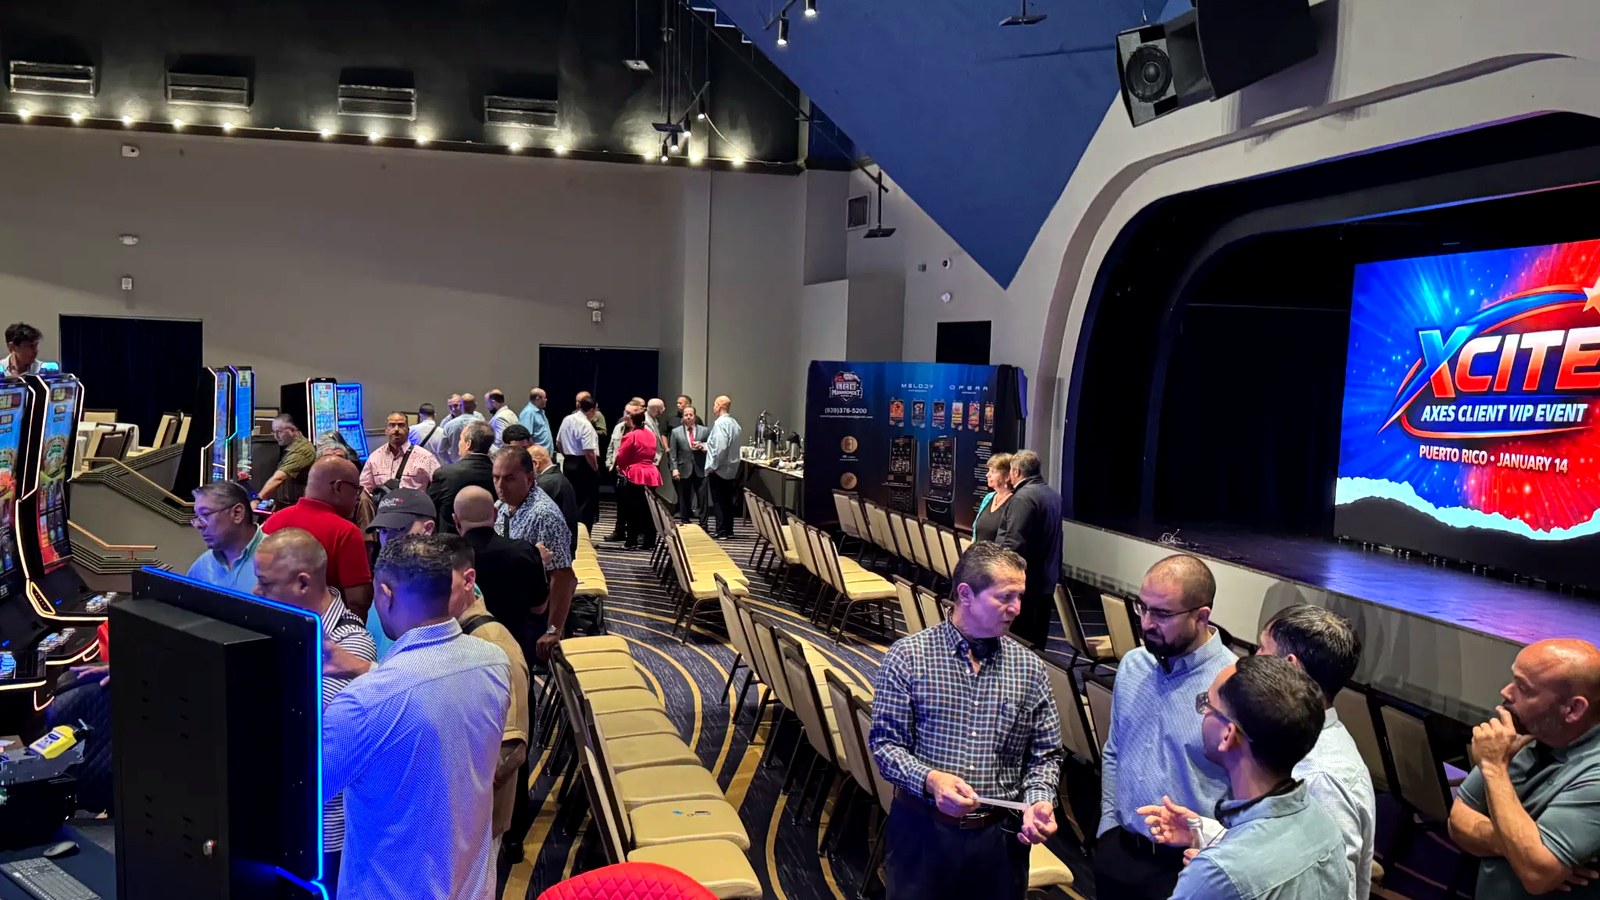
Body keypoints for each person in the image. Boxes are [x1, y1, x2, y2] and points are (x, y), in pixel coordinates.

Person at [320, 535, 510, 900]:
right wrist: (367, 669)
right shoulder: (492, 661)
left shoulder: (364, 703)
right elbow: (428, 697)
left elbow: (304, 788)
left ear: (386, 595)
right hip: (470, 885)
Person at [1141, 605, 1376, 899]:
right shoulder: (1314, 809)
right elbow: (1277, 852)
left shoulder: (1321, 777)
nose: (1252, 660)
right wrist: (1205, 833)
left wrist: (1214, 867)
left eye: (1207, 706)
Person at [869, 542, 1062, 900]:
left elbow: (1045, 756)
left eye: (1020, 596)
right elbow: (885, 747)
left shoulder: (1030, 668)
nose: (1016, 609)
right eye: (1005, 597)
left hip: (999, 843)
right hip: (922, 834)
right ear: (966, 594)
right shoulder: (909, 657)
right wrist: (931, 779)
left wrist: (1038, 800)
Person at [1094, 554, 1235, 900]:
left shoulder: (1234, 684)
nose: (1146, 623)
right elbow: (1115, 750)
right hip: (1119, 851)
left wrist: (1214, 854)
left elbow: (1246, 788)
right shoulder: (1133, 665)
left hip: (1186, 868)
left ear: (1202, 616)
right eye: (1143, 608)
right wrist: (1108, 827)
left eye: (1162, 613)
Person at [252, 528, 377, 895]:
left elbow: (307, 734)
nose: (255, 593)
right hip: (280, 819)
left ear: (303, 583)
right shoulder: (283, 623)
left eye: (264, 583)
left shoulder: (351, 644)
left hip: (322, 833)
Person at [1164, 656, 1349, 899]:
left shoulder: (1218, 873)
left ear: (1227, 735)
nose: (1203, 713)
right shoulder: (1324, 825)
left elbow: (1235, 875)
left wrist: (1207, 879)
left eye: (1207, 704)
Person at [1449, 639, 1600, 898]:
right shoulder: (1529, 734)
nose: (1506, 692)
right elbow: (1458, 822)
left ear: (1573, 709)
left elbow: (1536, 877)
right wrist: (1518, 849)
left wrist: (1495, 768)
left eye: (1523, 688)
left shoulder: (1595, 774)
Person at [434, 534, 532, 892]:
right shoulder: (441, 630)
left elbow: (511, 748)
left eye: (439, 584)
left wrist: (449, 786)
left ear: (468, 581)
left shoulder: (495, 644)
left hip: (474, 820)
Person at [262, 456, 375, 619]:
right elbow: (358, 602)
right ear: (338, 487)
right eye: (356, 489)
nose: (358, 497)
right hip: (324, 636)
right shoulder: (346, 533)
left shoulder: (273, 521)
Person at [492, 447, 577, 661]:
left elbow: (564, 577)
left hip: (533, 617)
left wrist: (553, 630)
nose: (500, 486)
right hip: (511, 609)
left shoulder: (544, 515)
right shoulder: (504, 505)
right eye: (496, 477)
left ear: (530, 478)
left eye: (509, 478)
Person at [992, 449, 1061, 650]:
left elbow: (1013, 543)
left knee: (1018, 641)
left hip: (1025, 581)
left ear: (1015, 472)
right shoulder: (1053, 495)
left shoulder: (1022, 498)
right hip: (1047, 578)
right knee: (1038, 641)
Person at [187, 480, 264, 594]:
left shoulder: (280, 558)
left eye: (205, 515)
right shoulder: (202, 565)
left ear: (237, 513)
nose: (198, 525)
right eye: (197, 517)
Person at [428, 420, 497, 535]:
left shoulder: (444, 473)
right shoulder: (498, 475)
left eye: (460, 439)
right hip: (488, 542)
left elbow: (429, 507)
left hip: (450, 545)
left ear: (468, 443)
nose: (459, 443)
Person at [616, 409, 663, 550]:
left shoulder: (631, 436)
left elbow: (621, 456)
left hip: (636, 473)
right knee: (649, 510)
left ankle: (632, 541)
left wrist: (622, 468)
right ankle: (649, 542)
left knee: (632, 509)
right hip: (651, 472)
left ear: (631, 421)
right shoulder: (651, 434)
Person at [361, 412, 441, 496]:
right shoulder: (374, 458)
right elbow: (364, 489)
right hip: (383, 507)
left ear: (408, 430)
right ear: (386, 431)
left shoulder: (426, 457)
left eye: (401, 425)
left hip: (413, 507)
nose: (396, 429)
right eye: (392, 425)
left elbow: (440, 487)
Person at [558, 396, 601, 530]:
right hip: (583, 464)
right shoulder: (586, 424)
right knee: (586, 502)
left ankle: (571, 532)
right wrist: (595, 469)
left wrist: (567, 456)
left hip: (569, 462)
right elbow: (588, 451)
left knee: (572, 500)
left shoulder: (567, 419)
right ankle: (583, 536)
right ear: (592, 410)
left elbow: (558, 442)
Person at [604, 399, 644, 542]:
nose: (627, 415)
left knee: (635, 505)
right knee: (620, 504)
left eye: (630, 413)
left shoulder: (643, 430)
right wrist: (609, 464)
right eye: (625, 412)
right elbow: (611, 447)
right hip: (618, 472)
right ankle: (619, 531)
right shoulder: (619, 427)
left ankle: (637, 533)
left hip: (634, 474)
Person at [703, 395, 743, 539]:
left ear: (719, 406)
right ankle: (729, 529)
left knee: (719, 501)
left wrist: (712, 466)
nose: (713, 407)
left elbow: (720, 448)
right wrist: (705, 446)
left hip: (720, 468)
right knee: (727, 500)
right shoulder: (734, 424)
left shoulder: (720, 424)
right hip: (731, 468)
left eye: (714, 404)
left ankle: (721, 531)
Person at [529, 445, 579, 555]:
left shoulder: (546, 484)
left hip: (556, 550)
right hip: (566, 544)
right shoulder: (557, 478)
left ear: (535, 463)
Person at [258, 415, 316, 506]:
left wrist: (258, 499)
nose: (276, 436)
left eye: (279, 432)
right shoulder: (293, 446)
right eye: (274, 432)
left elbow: (278, 478)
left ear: (292, 430)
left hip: (297, 506)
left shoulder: (301, 450)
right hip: (288, 504)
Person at [669, 405, 710, 525]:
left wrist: (702, 446)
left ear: (695, 416)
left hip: (700, 468)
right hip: (683, 469)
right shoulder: (675, 432)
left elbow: (711, 446)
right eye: (686, 415)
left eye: (690, 415)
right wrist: (674, 469)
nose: (688, 417)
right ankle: (685, 522)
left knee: (702, 499)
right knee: (684, 498)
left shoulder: (705, 430)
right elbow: (673, 453)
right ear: (682, 417)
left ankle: (704, 524)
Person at [972, 452, 1014, 543]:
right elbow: (976, 532)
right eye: (989, 470)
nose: (987, 475)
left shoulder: (1014, 502)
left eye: (993, 472)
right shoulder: (989, 497)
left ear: (1007, 476)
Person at [439, 392, 486, 465]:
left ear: (461, 405)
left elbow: (441, 450)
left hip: (472, 462)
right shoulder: (445, 422)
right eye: (450, 407)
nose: (453, 409)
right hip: (458, 463)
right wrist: (449, 463)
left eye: (455, 405)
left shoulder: (479, 417)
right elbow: (442, 449)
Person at [518, 388, 553, 453]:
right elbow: (526, 437)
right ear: (537, 399)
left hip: (544, 454)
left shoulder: (540, 412)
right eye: (544, 398)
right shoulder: (528, 413)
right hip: (537, 455)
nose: (546, 400)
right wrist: (536, 453)